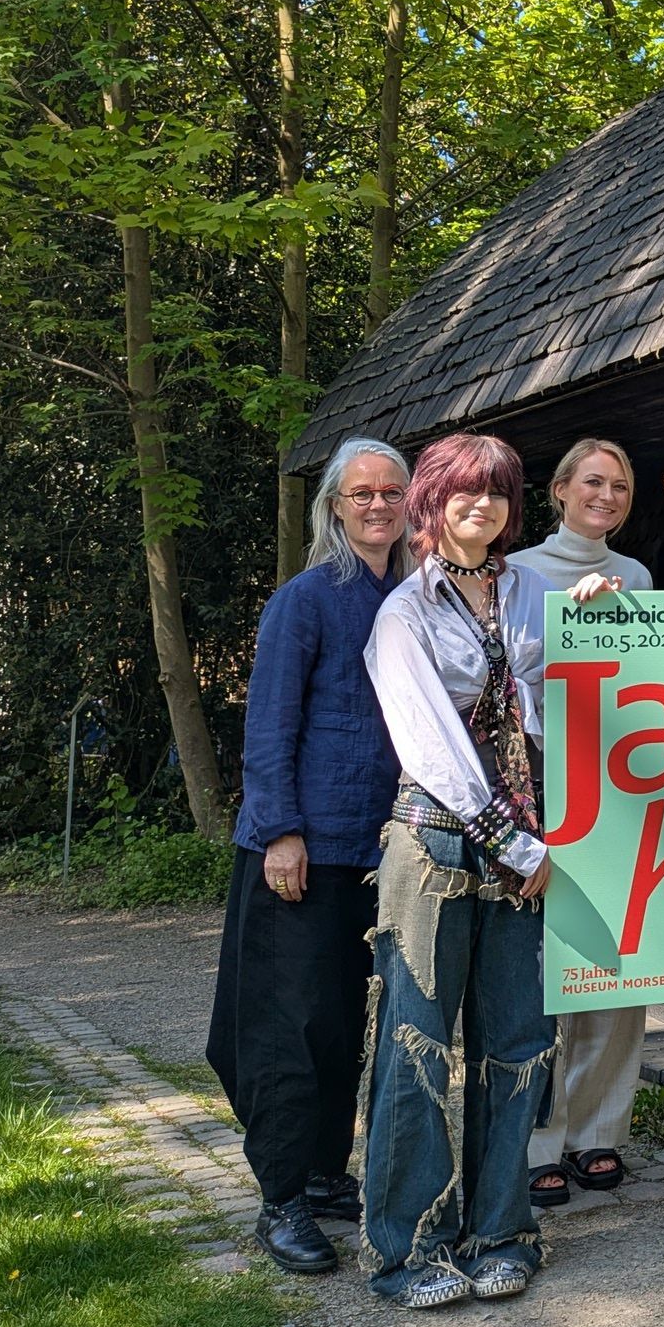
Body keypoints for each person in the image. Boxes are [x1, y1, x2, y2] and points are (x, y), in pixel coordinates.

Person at [361, 432, 557, 1310]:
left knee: (516, 1043)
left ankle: (503, 1232)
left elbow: (574, 703)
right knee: (418, 1044)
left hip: (533, 848)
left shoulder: (532, 594)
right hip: (439, 844)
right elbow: (430, 746)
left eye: (498, 493)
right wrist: (518, 845)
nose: (481, 506)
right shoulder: (403, 612)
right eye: (463, 493)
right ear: (431, 506)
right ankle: (410, 1248)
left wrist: (602, 621)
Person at [208, 437, 411, 1276]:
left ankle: (327, 1171)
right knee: (288, 1029)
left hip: (381, 846)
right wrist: (281, 829)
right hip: (301, 849)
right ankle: (281, 1198)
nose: (376, 505)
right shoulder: (306, 599)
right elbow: (270, 724)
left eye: (390, 492)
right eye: (360, 493)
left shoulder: (408, 597)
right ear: (335, 506)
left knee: (343, 1027)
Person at [512, 437, 654, 1209]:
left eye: (621, 486)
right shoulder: (519, 570)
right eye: (593, 482)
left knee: (613, 971)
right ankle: (536, 1140)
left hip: (616, 794)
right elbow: (508, 678)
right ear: (561, 489)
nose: (607, 495)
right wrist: (566, 622)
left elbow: (647, 676)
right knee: (540, 977)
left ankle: (598, 1135)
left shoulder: (635, 576)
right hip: (537, 792)